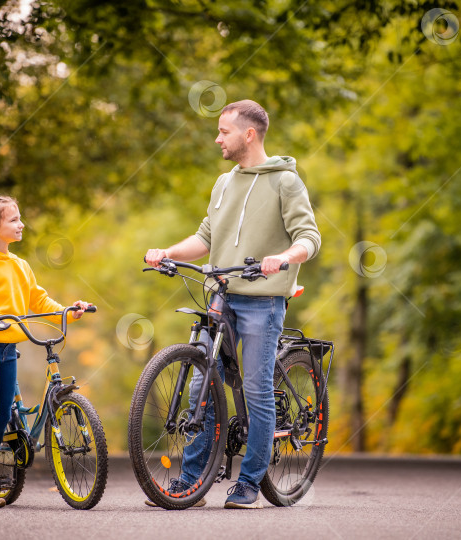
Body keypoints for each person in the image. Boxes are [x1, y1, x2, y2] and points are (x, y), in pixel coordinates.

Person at [145, 100, 321, 509]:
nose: (217, 138)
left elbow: (309, 237)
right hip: (222, 295)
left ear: (249, 134)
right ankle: (191, 482)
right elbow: (206, 237)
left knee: (257, 389)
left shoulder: (286, 182)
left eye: (224, 131)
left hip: (263, 300)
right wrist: (167, 252)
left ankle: (250, 481)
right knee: (200, 386)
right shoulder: (223, 182)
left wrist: (284, 258)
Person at [0, 195, 91, 508]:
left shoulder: (20, 265)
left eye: (19, 217)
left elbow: (38, 301)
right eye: (13, 220)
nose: (21, 224)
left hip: (7, 348)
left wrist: (67, 311)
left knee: (0, 417)